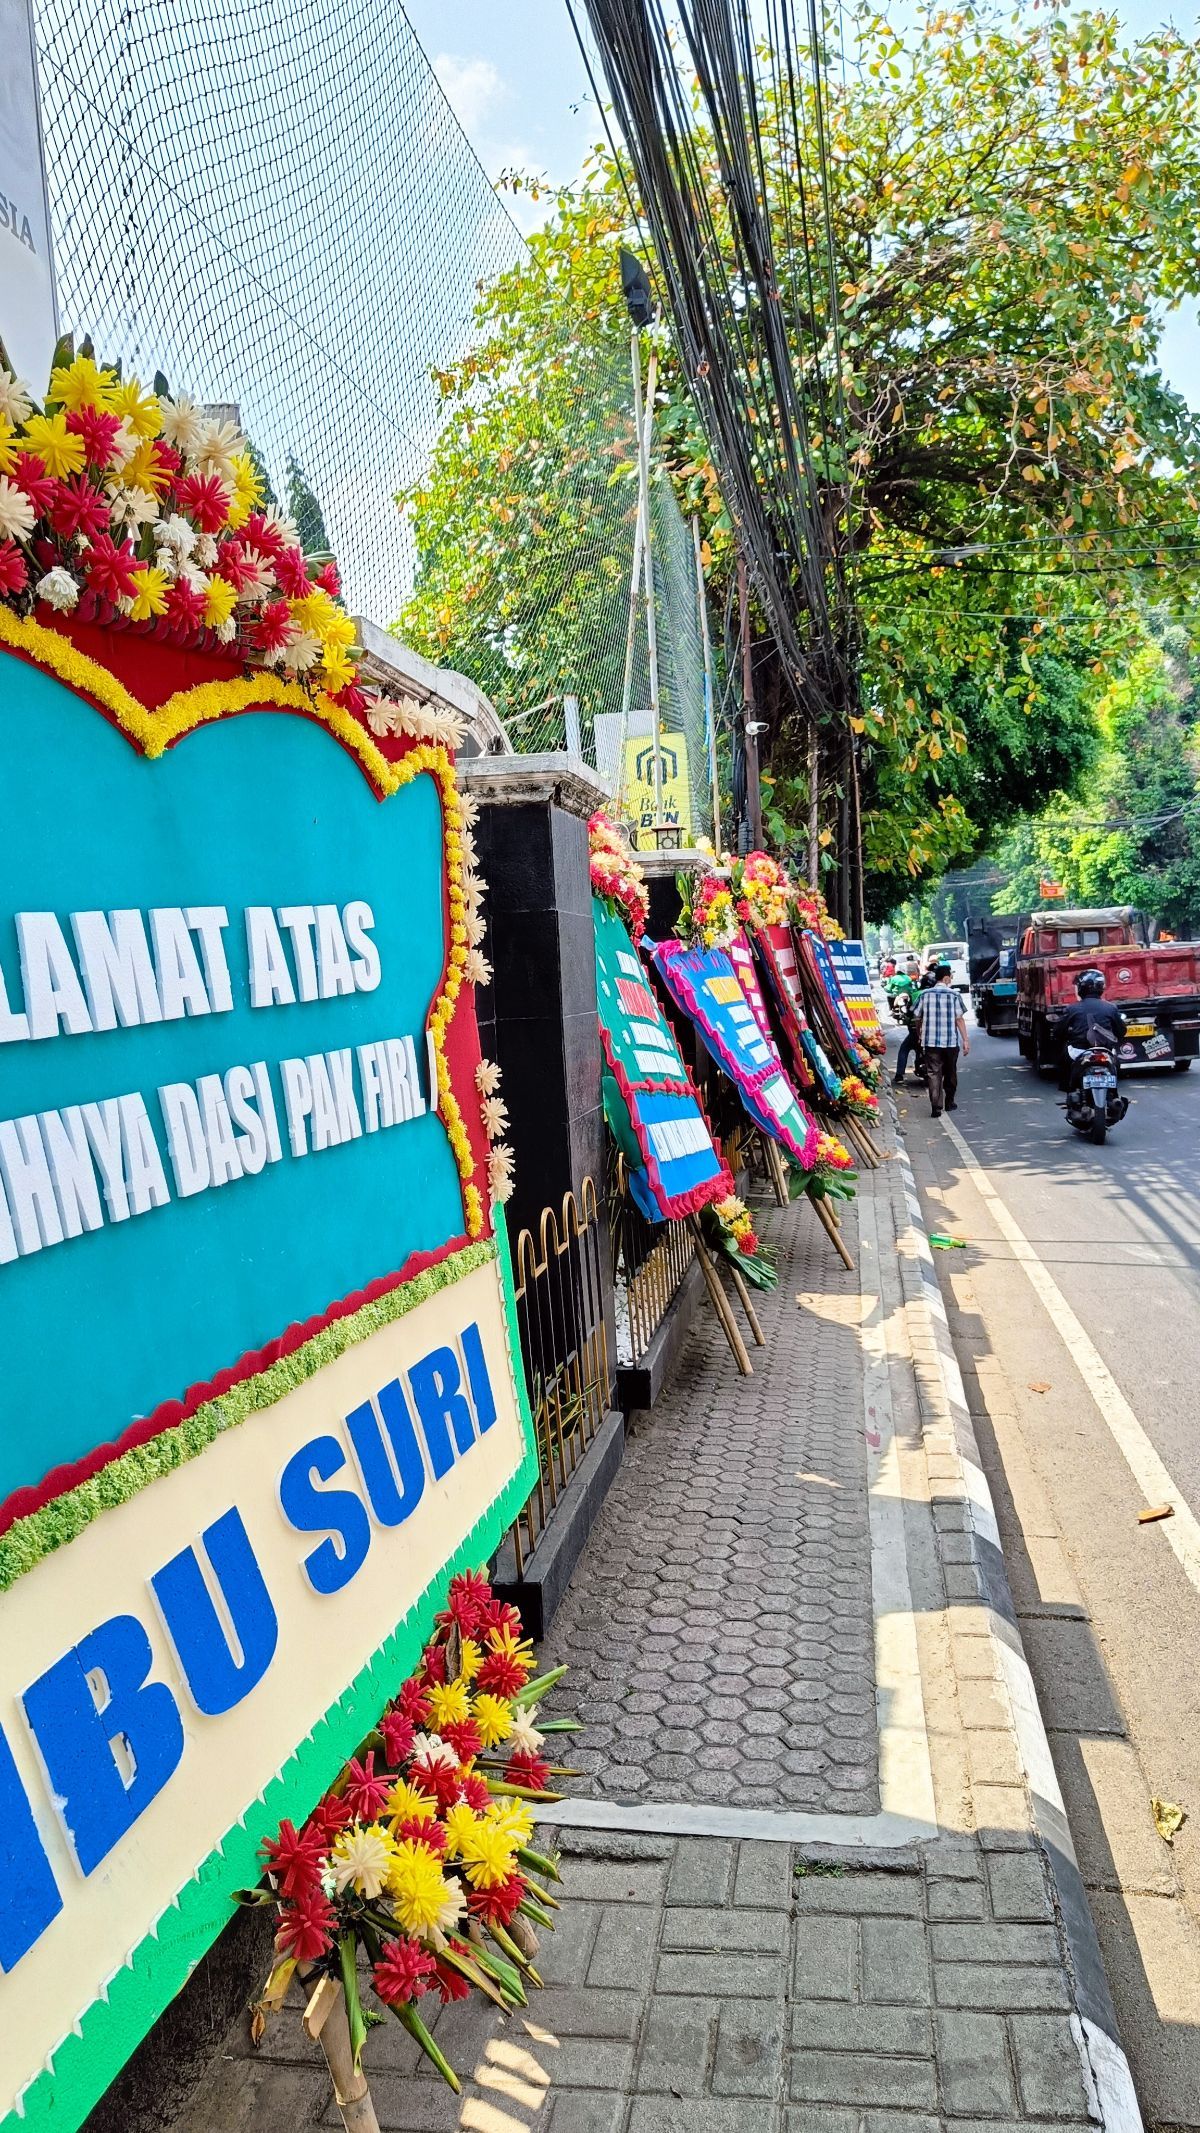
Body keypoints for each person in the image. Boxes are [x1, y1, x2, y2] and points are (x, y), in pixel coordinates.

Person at [1058, 969, 1127, 1090]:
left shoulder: (1072, 1009)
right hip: (1106, 1051)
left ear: (1081, 988)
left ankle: (1068, 1090)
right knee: (1117, 1065)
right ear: (1101, 988)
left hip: (1079, 1051)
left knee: (1064, 1057)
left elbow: (1059, 1031)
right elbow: (1121, 1031)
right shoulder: (1111, 1008)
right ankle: (1114, 1095)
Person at [917, 962, 970, 1116]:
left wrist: (920, 1032)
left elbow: (917, 1017)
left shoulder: (924, 995)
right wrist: (965, 1040)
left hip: (930, 1042)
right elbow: (959, 1019)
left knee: (934, 1073)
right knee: (950, 1072)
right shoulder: (954, 995)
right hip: (950, 1042)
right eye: (951, 976)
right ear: (946, 978)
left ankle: (936, 1107)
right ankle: (949, 1101)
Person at [894, 962, 938, 1085]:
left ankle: (899, 1075)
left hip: (917, 1032)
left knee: (904, 1049)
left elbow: (909, 1013)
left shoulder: (914, 995)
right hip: (935, 1031)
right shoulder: (938, 994)